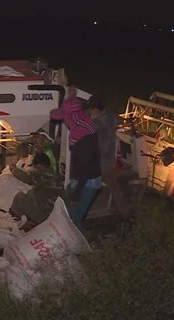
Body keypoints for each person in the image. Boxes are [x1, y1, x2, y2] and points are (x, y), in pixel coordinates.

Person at [50, 85, 101, 232]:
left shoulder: (80, 137)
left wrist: (76, 195)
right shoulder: (84, 125)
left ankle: (83, 248)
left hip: (88, 181)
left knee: (73, 217)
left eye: (64, 118)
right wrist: (70, 97)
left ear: (69, 118)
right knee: (65, 210)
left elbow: (85, 168)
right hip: (81, 179)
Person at [83, 95, 130, 217]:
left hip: (100, 164)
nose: (89, 112)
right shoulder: (111, 117)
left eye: (91, 109)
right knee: (114, 188)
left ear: (97, 109)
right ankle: (126, 214)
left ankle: (82, 213)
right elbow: (115, 116)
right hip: (110, 162)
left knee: (84, 187)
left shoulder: (98, 124)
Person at [9, 152, 64, 227]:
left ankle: (16, 221)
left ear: (39, 166)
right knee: (31, 192)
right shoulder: (53, 173)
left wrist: (13, 168)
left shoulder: (42, 175)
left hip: (45, 215)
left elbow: (25, 177)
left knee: (20, 197)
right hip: (54, 213)